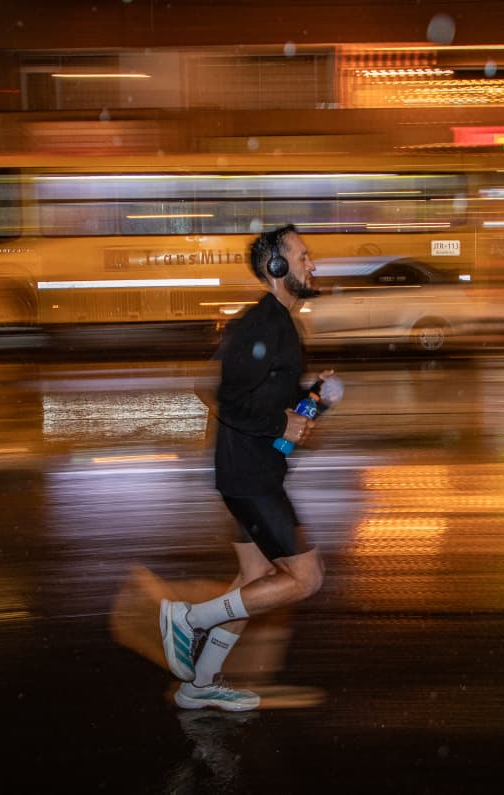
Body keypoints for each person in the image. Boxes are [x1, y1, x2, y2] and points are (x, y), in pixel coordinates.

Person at [161, 223, 330, 712]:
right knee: (305, 578)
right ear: (276, 268)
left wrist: (312, 396)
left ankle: (201, 683)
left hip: (254, 470)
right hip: (250, 477)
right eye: (302, 256)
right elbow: (217, 393)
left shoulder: (280, 325)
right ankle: (189, 619)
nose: (310, 264)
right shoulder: (261, 324)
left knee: (253, 581)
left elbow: (272, 401)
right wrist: (280, 420)